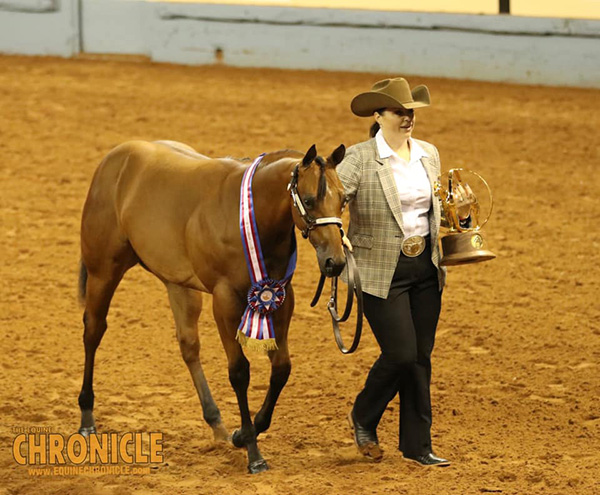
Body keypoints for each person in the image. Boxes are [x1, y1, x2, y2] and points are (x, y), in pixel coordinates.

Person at [337, 77, 467, 467]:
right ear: (379, 116)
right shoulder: (359, 158)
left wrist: (460, 213)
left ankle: (417, 444)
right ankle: (363, 414)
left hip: (425, 266)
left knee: (420, 357)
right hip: (379, 270)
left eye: (410, 111)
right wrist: (338, 237)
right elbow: (331, 203)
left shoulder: (429, 153)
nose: (407, 117)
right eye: (399, 111)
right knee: (401, 353)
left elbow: (436, 208)